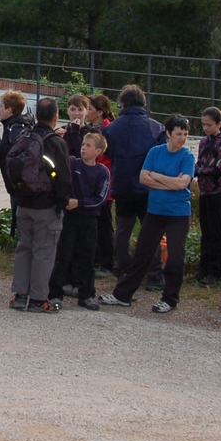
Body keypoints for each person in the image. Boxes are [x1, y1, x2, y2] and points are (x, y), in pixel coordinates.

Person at [101, 115, 196, 314]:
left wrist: (158, 177)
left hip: (178, 213)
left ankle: (170, 298)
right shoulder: (155, 152)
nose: (182, 138)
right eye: (179, 134)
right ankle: (123, 294)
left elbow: (182, 183)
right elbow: (144, 178)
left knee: (175, 257)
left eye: (185, 134)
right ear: (168, 133)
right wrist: (169, 181)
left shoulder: (187, 157)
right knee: (142, 253)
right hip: (155, 210)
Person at [8, 98, 72, 314]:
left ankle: (20, 295)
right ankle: (38, 299)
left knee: (24, 249)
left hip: (23, 203)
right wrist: (61, 202)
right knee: (43, 252)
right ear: (56, 117)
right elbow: (64, 178)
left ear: (36, 116)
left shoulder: (25, 137)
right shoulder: (56, 143)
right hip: (46, 206)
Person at [101, 84, 165, 286]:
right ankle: (154, 275)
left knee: (122, 231)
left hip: (123, 185)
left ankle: (123, 269)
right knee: (151, 232)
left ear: (122, 104)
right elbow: (163, 154)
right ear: (143, 103)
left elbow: (107, 151)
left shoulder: (111, 128)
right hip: (149, 186)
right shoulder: (156, 127)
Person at [54, 133, 110, 311]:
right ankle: (55, 293)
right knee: (63, 255)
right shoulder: (73, 163)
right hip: (70, 218)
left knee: (88, 257)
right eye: (83, 144)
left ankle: (86, 294)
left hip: (89, 219)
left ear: (98, 151)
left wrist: (80, 202)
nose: (84, 148)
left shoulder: (102, 172)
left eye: (88, 146)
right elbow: (59, 178)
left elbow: (101, 198)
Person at [195, 107, 221, 287]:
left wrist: (200, 170)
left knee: (216, 232)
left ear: (219, 124)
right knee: (206, 232)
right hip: (204, 190)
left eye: (209, 125)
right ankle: (204, 267)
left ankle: (215, 271)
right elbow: (198, 162)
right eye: (204, 124)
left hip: (217, 191)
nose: (206, 128)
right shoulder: (204, 142)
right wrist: (198, 169)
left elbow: (220, 168)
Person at [86, 94, 116, 276]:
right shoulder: (91, 128)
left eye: (89, 109)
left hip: (104, 183)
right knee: (94, 223)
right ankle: (96, 258)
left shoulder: (107, 130)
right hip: (91, 180)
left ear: (99, 112)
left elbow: (107, 157)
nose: (87, 112)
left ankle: (107, 262)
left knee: (104, 223)